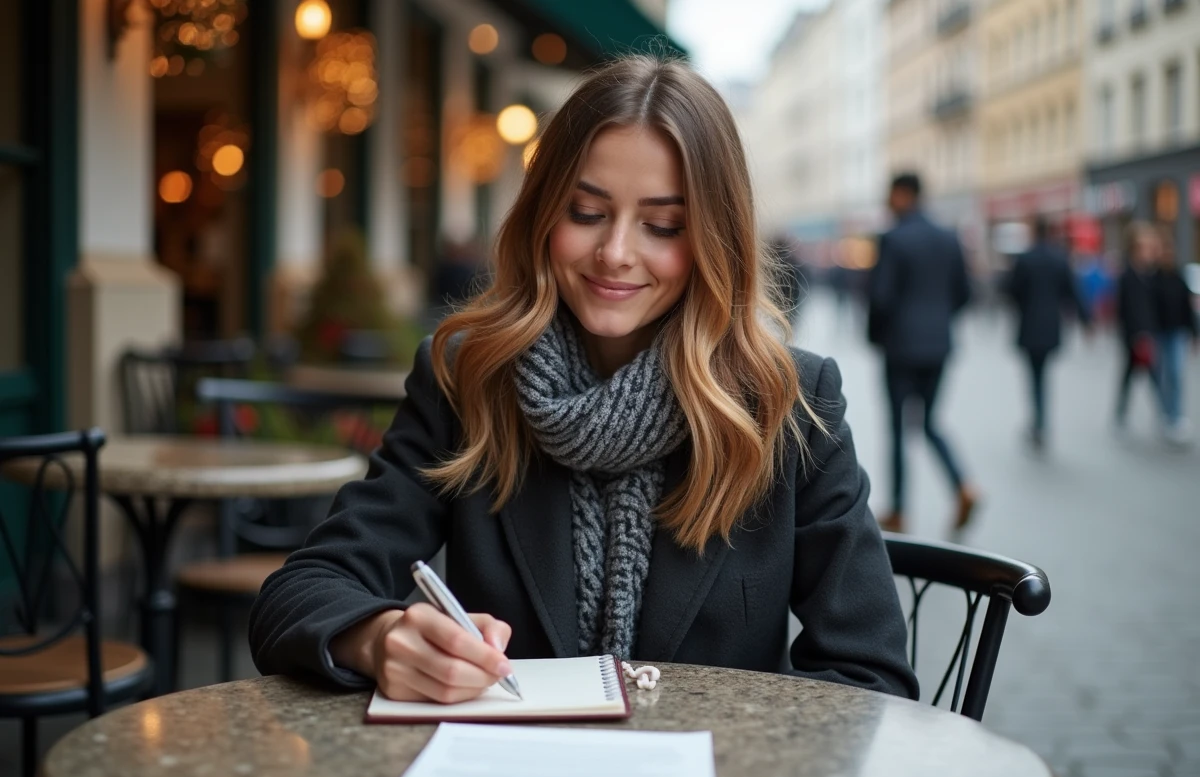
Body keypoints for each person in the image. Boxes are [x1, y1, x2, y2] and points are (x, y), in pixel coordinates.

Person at [248, 56, 918, 705]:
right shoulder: (468, 381)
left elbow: (870, 676)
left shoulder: (788, 404)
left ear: (715, 240)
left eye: (663, 225)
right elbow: (303, 591)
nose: (616, 253)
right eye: (587, 212)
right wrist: (380, 636)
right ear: (544, 214)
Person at [868, 173, 978, 535]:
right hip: (938, 346)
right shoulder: (949, 237)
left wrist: (875, 336)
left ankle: (899, 511)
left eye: (891, 195)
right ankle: (963, 485)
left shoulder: (894, 238)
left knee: (897, 428)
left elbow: (881, 297)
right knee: (929, 422)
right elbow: (964, 293)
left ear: (903, 194)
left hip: (900, 348)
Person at [1005, 217, 1091, 451]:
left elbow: (1012, 291)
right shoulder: (1059, 258)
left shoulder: (1025, 259)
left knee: (1035, 377)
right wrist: (1086, 320)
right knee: (1043, 376)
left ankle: (1038, 422)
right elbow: (1072, 292)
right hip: (1051, 327)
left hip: (1029, 327)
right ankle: (1041, 422)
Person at [1150, 228, 1198, 446]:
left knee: (1176, 373)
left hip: (1177, 331)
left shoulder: (1179, 276)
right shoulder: (1153, 278)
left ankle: (1176, 415)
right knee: (1161, 375)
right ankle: (1166, 412)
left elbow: (1187, 307)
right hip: (1159, 332)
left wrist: (1195, 333)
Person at [1114, 222, 1163, 435]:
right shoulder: (1128, 275)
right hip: (1133, 335)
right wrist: (1134, 334)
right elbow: (1125, 309)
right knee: (1129, 375)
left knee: (1153, 375)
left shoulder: (1152, 274)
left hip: (1149, 332)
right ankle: (1122, 414)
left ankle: (1163, 413)